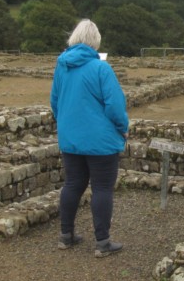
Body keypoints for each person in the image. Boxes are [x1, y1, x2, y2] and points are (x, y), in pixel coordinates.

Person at [50, 19, 129, 258]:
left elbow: (55, 102)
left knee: (73, 184)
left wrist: (66, 124)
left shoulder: (61, 66)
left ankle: (66, 236)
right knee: (102, 188)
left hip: (70, 138)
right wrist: (122, 127)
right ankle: (102, 242)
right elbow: (114, 105)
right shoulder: (101, 68)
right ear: (95, 42)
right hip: (101, 141)